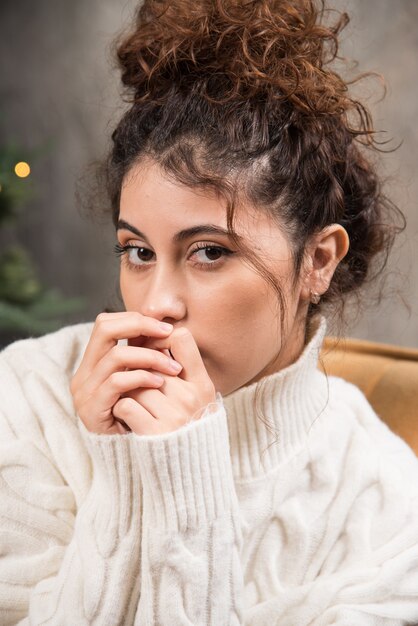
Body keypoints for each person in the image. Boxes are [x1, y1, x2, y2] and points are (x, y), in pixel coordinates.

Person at [1, 0, 418, 623]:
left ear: (318, 261)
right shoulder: (30, 397)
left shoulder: (387, 508)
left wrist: (185, 484)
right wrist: (118, 472)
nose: (157, 304)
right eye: (137, 251)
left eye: (209, 252)